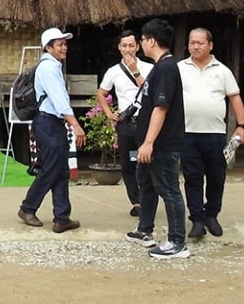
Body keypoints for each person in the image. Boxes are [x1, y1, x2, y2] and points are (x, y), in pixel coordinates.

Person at [126, 18, 189, 259]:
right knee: (148, 184)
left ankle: (177, 241)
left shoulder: (166, 68)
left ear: (151, 40)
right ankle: (145, 230)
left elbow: (160, 107)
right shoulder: (159, 67)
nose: (140, 44)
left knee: (169, 189)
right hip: (152, 142)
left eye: (142, 40)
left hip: (162, 143)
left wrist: (149, 142)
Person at [178, 27, 244, 239]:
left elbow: (234, 98)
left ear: (210, 45)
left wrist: (242, 126)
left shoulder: (222, 70)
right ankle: (197, 220)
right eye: (192, 42)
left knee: (217, 177)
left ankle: (212, 215)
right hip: (187, 133)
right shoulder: (179, 68)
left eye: (200, 42)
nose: (196, 46)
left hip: (215, 134)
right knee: (192, 177)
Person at [17, 27, 85, 233]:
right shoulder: (48, 68)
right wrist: (75, 124)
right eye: (60, 44)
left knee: (61, 170)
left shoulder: (53, 66)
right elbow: (59, 99)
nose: (64, 47)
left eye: (65, 43)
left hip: (51, 123)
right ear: (48, 47)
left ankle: (62, 216)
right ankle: (28, 207)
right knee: (52, 168)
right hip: (48, 123)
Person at [97, 29, 153, 216]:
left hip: (145, 122)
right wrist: (109, 113)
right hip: (126, 124)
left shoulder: (149, 68)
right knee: (128, 164)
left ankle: (148, 199)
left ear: (137, 46)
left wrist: (135, 71)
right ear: (119, 48)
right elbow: (101, 93)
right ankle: (136, 201)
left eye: (131, 45)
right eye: (124, 46)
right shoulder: (113, 71)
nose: (128, 49)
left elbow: (150, 92)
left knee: (145, 162)